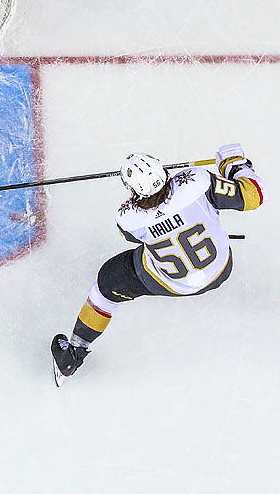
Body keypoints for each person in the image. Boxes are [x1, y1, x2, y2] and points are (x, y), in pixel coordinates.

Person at [51, 145, 266, 384]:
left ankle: (75, 352)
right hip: (220, 267)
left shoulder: (127, 217)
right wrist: (234, 165)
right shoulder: (198, 182)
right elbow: (254, 196)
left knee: (107, 285)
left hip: (168, 282)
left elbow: (135, 236)